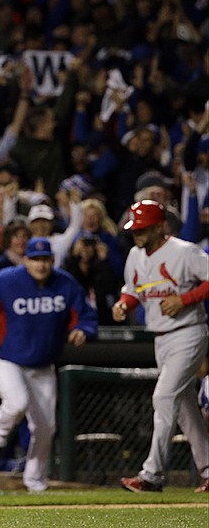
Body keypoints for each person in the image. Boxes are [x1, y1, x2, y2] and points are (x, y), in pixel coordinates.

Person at [0, 237, 97, 492]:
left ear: (52, 260)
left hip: (43, 364)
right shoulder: (5, 280)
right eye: (35, 260)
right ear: (26, 260)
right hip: (6, 359)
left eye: (45, 260)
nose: (41, 265)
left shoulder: (64, 282)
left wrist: (83, 329)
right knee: (17, 403)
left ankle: (35, 481)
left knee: (46, 427)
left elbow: (86, 314)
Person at [112, 200, 209, 494]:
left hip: (189, 332)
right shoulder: (134, 255)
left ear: (159, 226)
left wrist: (186, 299)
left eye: (142, 230)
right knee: (184, 409)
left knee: (164, 397)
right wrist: (122, 304)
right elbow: (134, 291)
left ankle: (152, 475)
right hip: (160, 337)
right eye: (134, 230)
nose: (137, 235)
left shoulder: (185, 252)